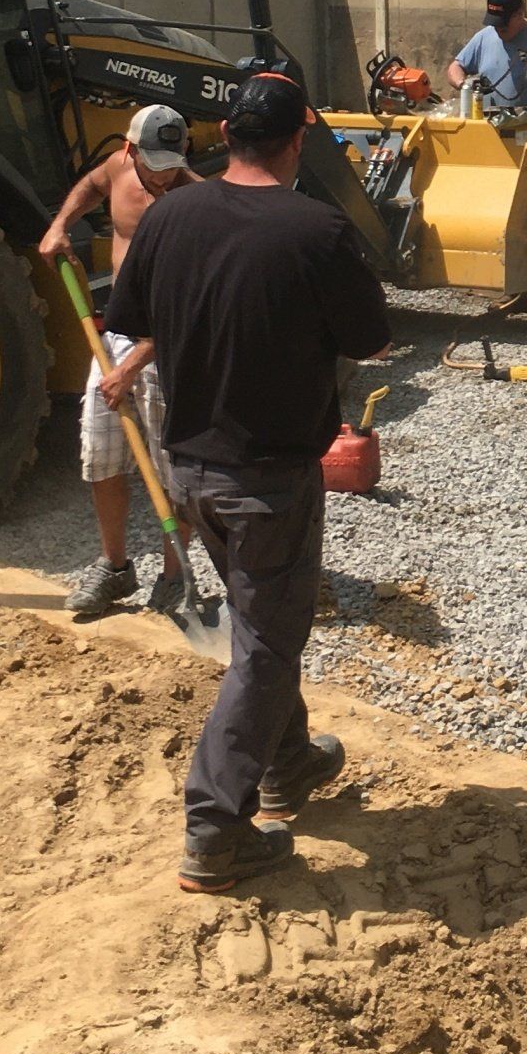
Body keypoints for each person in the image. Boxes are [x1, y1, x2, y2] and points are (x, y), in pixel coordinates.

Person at [100, 71, 390, 894]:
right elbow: (371, 339)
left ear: (224, 137)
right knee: (264, 647)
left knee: (263, 624)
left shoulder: (171, 218)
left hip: (190, 472)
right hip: (268, 482)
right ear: (298, 139)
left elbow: (132, 317)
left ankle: (288, 761)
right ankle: (214, 829)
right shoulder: (316, 229)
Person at [39, 104, 201, 620]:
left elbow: (193, 308)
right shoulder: (118, 167)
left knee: (171, 465)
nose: (163, 174)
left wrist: (132, 369)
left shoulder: (196, 204)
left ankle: (177, 572)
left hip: (170, 347)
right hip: (113, 338)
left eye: (173, 161)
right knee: (101, 453)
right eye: (153, 162)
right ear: (130, 151)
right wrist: (61, 224)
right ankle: (115, 567)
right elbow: (90, 184)